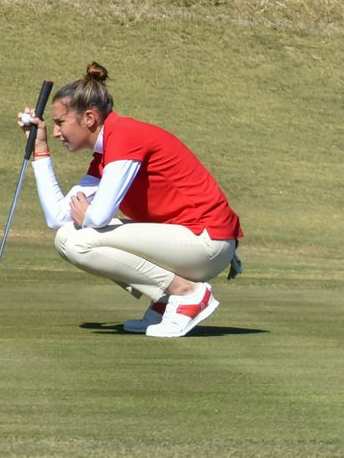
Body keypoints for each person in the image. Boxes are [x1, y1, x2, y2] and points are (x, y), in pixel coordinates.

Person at [18, 63, 243, 338]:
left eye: (60, 123)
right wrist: (40, 148)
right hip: (188, 242)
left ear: (89, 118)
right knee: (67, 236)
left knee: (77, 241)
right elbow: (57, 217)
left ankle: (187, 293)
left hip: (207, 241)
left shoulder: (124, 137)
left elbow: (98, 217)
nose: (56, 132)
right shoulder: (106, 154)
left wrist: (87, 217)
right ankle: (165, 301)